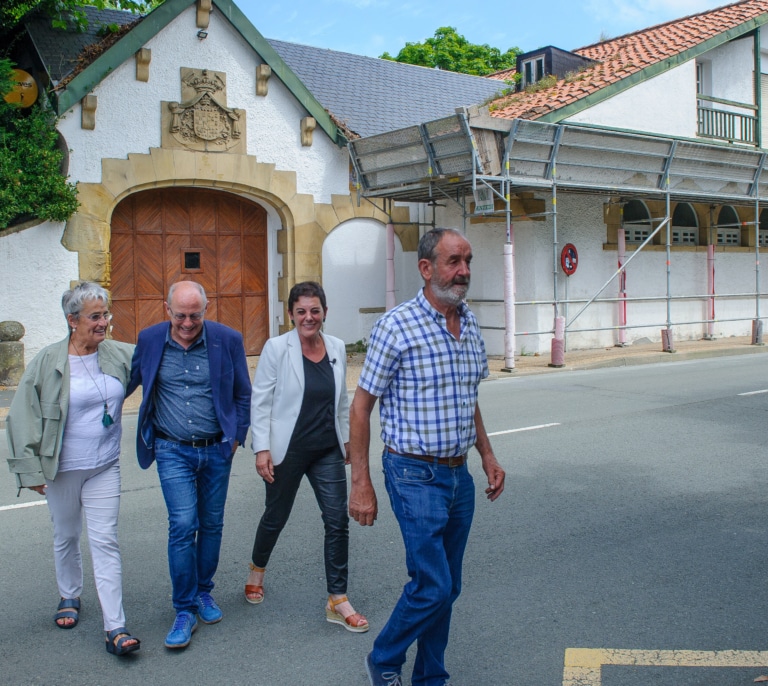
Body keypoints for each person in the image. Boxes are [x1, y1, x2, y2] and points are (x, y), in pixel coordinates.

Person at [348, 228, 506, 686]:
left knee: (447, 588)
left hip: (459, 478)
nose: (464, 271)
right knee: (433, 585)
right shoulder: (396, 326)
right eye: (454, 261)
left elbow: (466, 397)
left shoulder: (469, 321)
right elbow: (361, 406)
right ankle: (383, 659)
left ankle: (430, 677)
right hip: (413, 473)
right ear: (426, 268)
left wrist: (488, 455)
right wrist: (361, 483)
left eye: (468, 261)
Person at [6, 282, 140, 656]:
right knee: (65, 535)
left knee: (105, 542)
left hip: (103, 467)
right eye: (95, 317)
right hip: (61, 470)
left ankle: (116, 627)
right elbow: (21, 418)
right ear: (72, 320)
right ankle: (69, 594)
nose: (104, 323)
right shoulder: (48, 361)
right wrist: (30, 471)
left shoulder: (117, 353)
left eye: (106, 315)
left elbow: (154, 360)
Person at [128, 280, 250, 649]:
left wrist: (237, 437)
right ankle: (184, 608)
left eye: (194, 315)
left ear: (206, 309)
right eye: (180, 315)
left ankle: (203, 592)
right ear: (167, 310)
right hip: (171, 449)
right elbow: (126, 379)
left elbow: (243, 392)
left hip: (216, 450)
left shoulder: (227, 339)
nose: (186, 323)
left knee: (211, 524)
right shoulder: (150, 340)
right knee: (183, 525)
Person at [245, 281, 368, 632]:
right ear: (291, 315)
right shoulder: (276, 348)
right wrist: (262, 448)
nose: (308, 317)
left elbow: (340, 399)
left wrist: (346, 440)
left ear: (325, 312)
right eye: (301, 311)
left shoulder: (337, 347)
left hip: (327, 449)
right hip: (288, 449)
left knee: (336, 521)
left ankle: (337, 598)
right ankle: (257, 569)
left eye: (315, 310)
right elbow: (261, 400)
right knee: (276, 515)